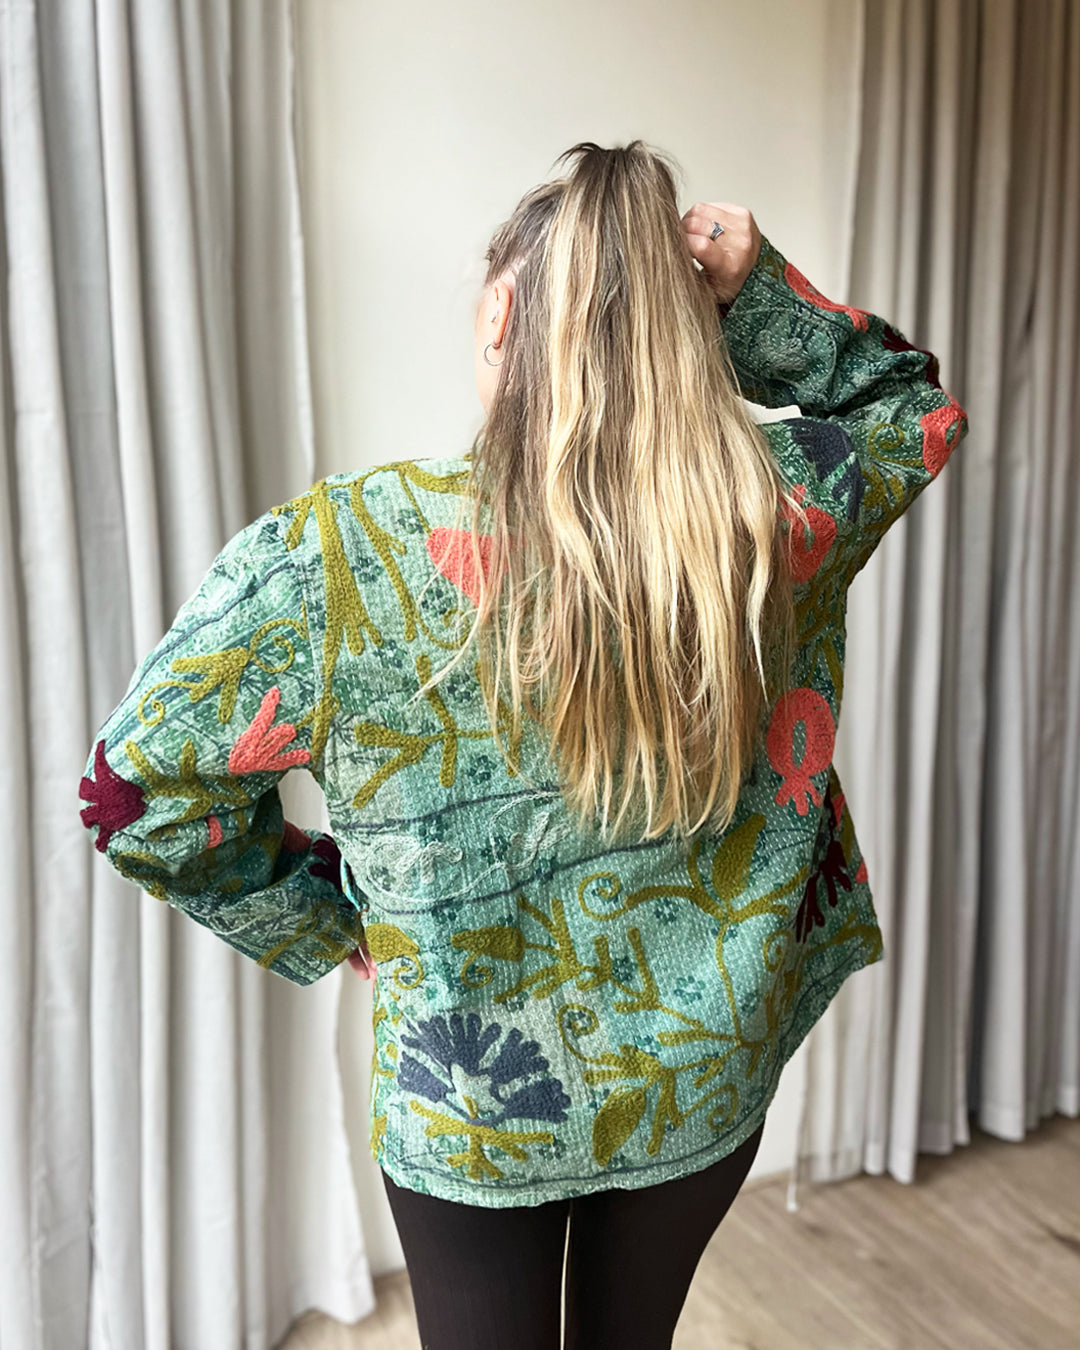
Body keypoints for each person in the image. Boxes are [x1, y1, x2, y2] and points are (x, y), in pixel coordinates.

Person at [77, 140, 969, 1349]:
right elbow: (914, 412)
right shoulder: (776, 510)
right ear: (685, 335)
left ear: (499, 313)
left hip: (471, 1098)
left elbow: (138, 797)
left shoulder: (336, 556)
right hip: (704, 1065)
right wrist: (756, 290)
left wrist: (332, 917)